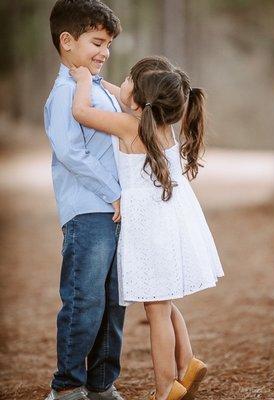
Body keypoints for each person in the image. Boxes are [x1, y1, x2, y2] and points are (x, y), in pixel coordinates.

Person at [70, 55, 224, 400]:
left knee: (156, 312)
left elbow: (81, 113)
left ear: (139, 101)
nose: (121, 82)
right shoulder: (159, 125)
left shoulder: (129, 126)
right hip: (169, 225)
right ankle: (188, 362)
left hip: (149, 231)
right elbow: (122, 96)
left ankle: (167, 387)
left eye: (127, 79)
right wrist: (98, 81)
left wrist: (82, 83)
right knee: (163, 303)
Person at [43, 1, 125, 399]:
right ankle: (68, 386)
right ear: (67, 41)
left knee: (114, 301)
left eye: (108, 43)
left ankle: (102, 384)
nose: (104, 51)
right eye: (97, 41)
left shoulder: (93, 89)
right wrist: (116, 193)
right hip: (89, 212)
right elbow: (72, 153)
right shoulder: (64, 94)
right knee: (84, 299)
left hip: (114, 211)